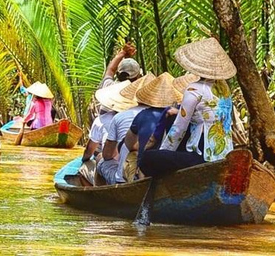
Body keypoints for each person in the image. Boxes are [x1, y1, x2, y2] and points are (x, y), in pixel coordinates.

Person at [140, 38, 236, 177]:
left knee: (147, 158)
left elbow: (179, 128)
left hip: (202, 157)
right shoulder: (224, 90)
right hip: (225, 154)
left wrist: (164, 153)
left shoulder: (194, 89)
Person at [96, 73, 155, 185]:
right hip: (152, 175)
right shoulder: (166, 115)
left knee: (100, 159)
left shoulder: (120, 117)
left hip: (123, 179)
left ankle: (97, 194)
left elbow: (107, 155)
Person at [121, 72, 181, 181]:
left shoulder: (143, 115)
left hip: (149, 169)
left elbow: (130, 145)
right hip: (174, 167)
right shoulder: (182, 114)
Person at [78, 79, 136, 185]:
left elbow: (93, 151)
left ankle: (97, 193)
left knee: (95, 161)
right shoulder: (142, 115)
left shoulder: (104, 119)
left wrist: (84, 160)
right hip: (136, 170)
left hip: (120, 174)